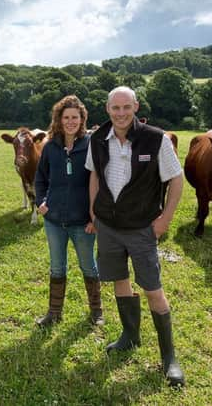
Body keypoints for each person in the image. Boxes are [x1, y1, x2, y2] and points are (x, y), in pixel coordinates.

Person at [85, 86, 185, 386]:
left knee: (153, 288)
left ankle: (169, 357)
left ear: (136, 107)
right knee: (119, 280)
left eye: (126, 107)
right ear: (107, 109)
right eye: (115, 108)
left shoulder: (156, 139)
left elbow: (176, 180)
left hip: (142, 227)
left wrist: (165, 219)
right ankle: (130, 335)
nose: (121, 113)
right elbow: (94, 175)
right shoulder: (98, 139)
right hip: (109, 226)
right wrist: (93, 212)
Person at [35, 95, 103, 327]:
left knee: (88, 266)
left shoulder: (91, 145)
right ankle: (54, 313)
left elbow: (100, 183)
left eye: (75, 117)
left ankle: (96, 311)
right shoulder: (50, 147)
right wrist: (40, 202)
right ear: (59, 119)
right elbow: (40, 179)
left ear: (82, 118)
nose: (71, 121)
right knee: (56, 266)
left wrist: (95, 218)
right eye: (66, 117)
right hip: (53, 221)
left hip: (83, 222)